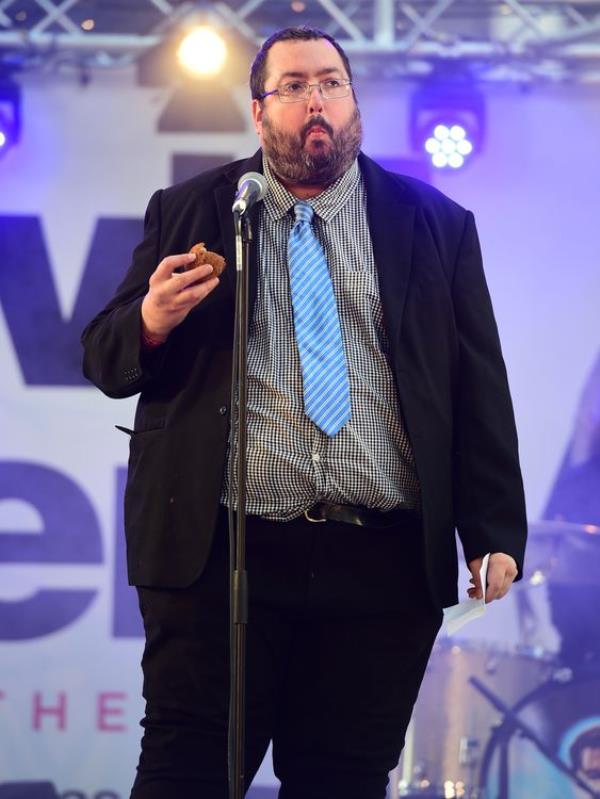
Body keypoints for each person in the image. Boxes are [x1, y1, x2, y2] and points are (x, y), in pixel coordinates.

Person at [81, 25, 527, 799]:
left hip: (379, 563)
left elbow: (476, 384)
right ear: (259, 114)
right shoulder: (193, 211)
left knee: (343, 782)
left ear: (354, 100)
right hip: (224, 557)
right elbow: (103, 356)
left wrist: (492, 531)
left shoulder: (436, 225)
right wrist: (150, 319)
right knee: (186, 774)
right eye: (292, 86)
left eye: (329, 81)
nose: (314, 99)